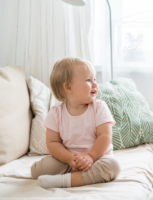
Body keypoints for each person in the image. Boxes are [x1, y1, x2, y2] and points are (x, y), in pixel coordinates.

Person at [31, 57, 121, 189]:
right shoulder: (56, 113)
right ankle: (80, 174)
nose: (95, 85)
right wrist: (68, 157)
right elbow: (52, 143)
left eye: (95, 79)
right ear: (68, 87)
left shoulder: (99, 107)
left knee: (113, 166)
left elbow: (105, 136)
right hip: (68, 160)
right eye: (88, 80)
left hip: (97, 159)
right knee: (36, 171)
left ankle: (64, 181)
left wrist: (90, 157)